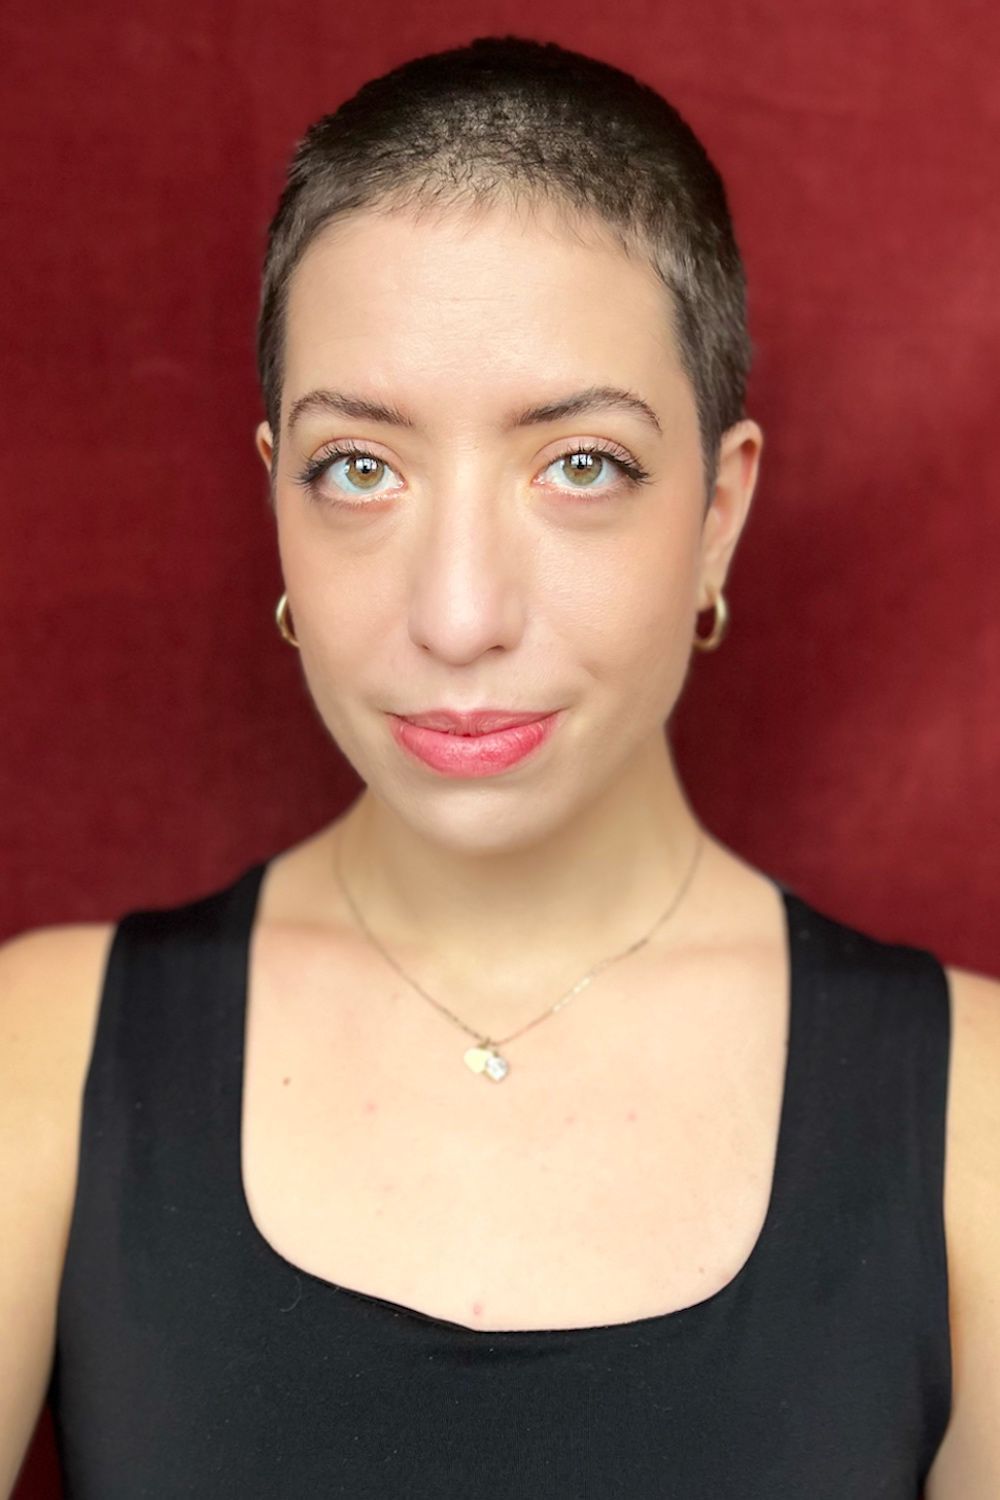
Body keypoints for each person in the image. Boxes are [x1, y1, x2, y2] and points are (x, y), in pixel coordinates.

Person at [2, 33, 998, 1500]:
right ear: (276, 496)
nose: (459, 615)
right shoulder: (42, 1054)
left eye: (580, 464)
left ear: (718, 512)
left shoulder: (974, 1117)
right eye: (360, 469)